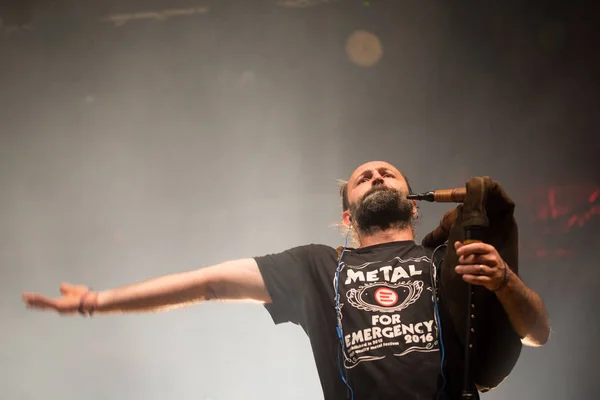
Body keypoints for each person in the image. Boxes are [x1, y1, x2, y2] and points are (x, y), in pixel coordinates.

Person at [22, 161, 551, 400]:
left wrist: (505, 281)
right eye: (364, 176)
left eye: (387, 173)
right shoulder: (317, 267)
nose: (376, 177)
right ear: (347, 217)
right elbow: (206, 283)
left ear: (412, 202)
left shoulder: (445, 264)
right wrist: (97, 300)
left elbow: (536, 334)